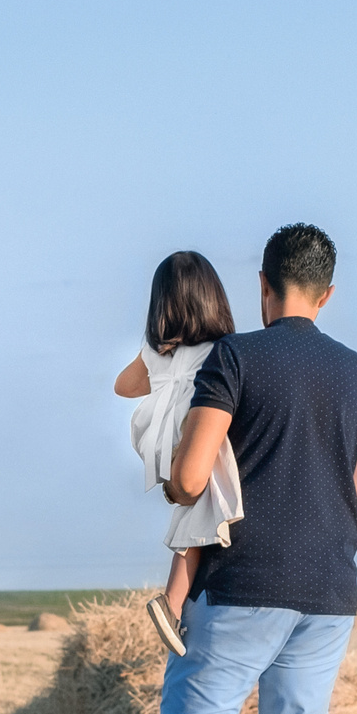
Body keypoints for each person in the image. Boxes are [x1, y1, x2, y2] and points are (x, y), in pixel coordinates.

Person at [158, 223, 357, 714]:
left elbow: (192, 476)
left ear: (263, 285)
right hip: (329, 593)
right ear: (328, 293)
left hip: (247, 581)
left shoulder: (237, 357)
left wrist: (171, 478)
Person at [113, 250, 244, 656]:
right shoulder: (222, 351)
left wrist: (160, 363)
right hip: (195, 427)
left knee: (189, 501)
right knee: (204, 500)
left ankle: (171, 602)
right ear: (213, 299)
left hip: (159, 438)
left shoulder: (157, 352)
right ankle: (172, 602)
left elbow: (123, 387)